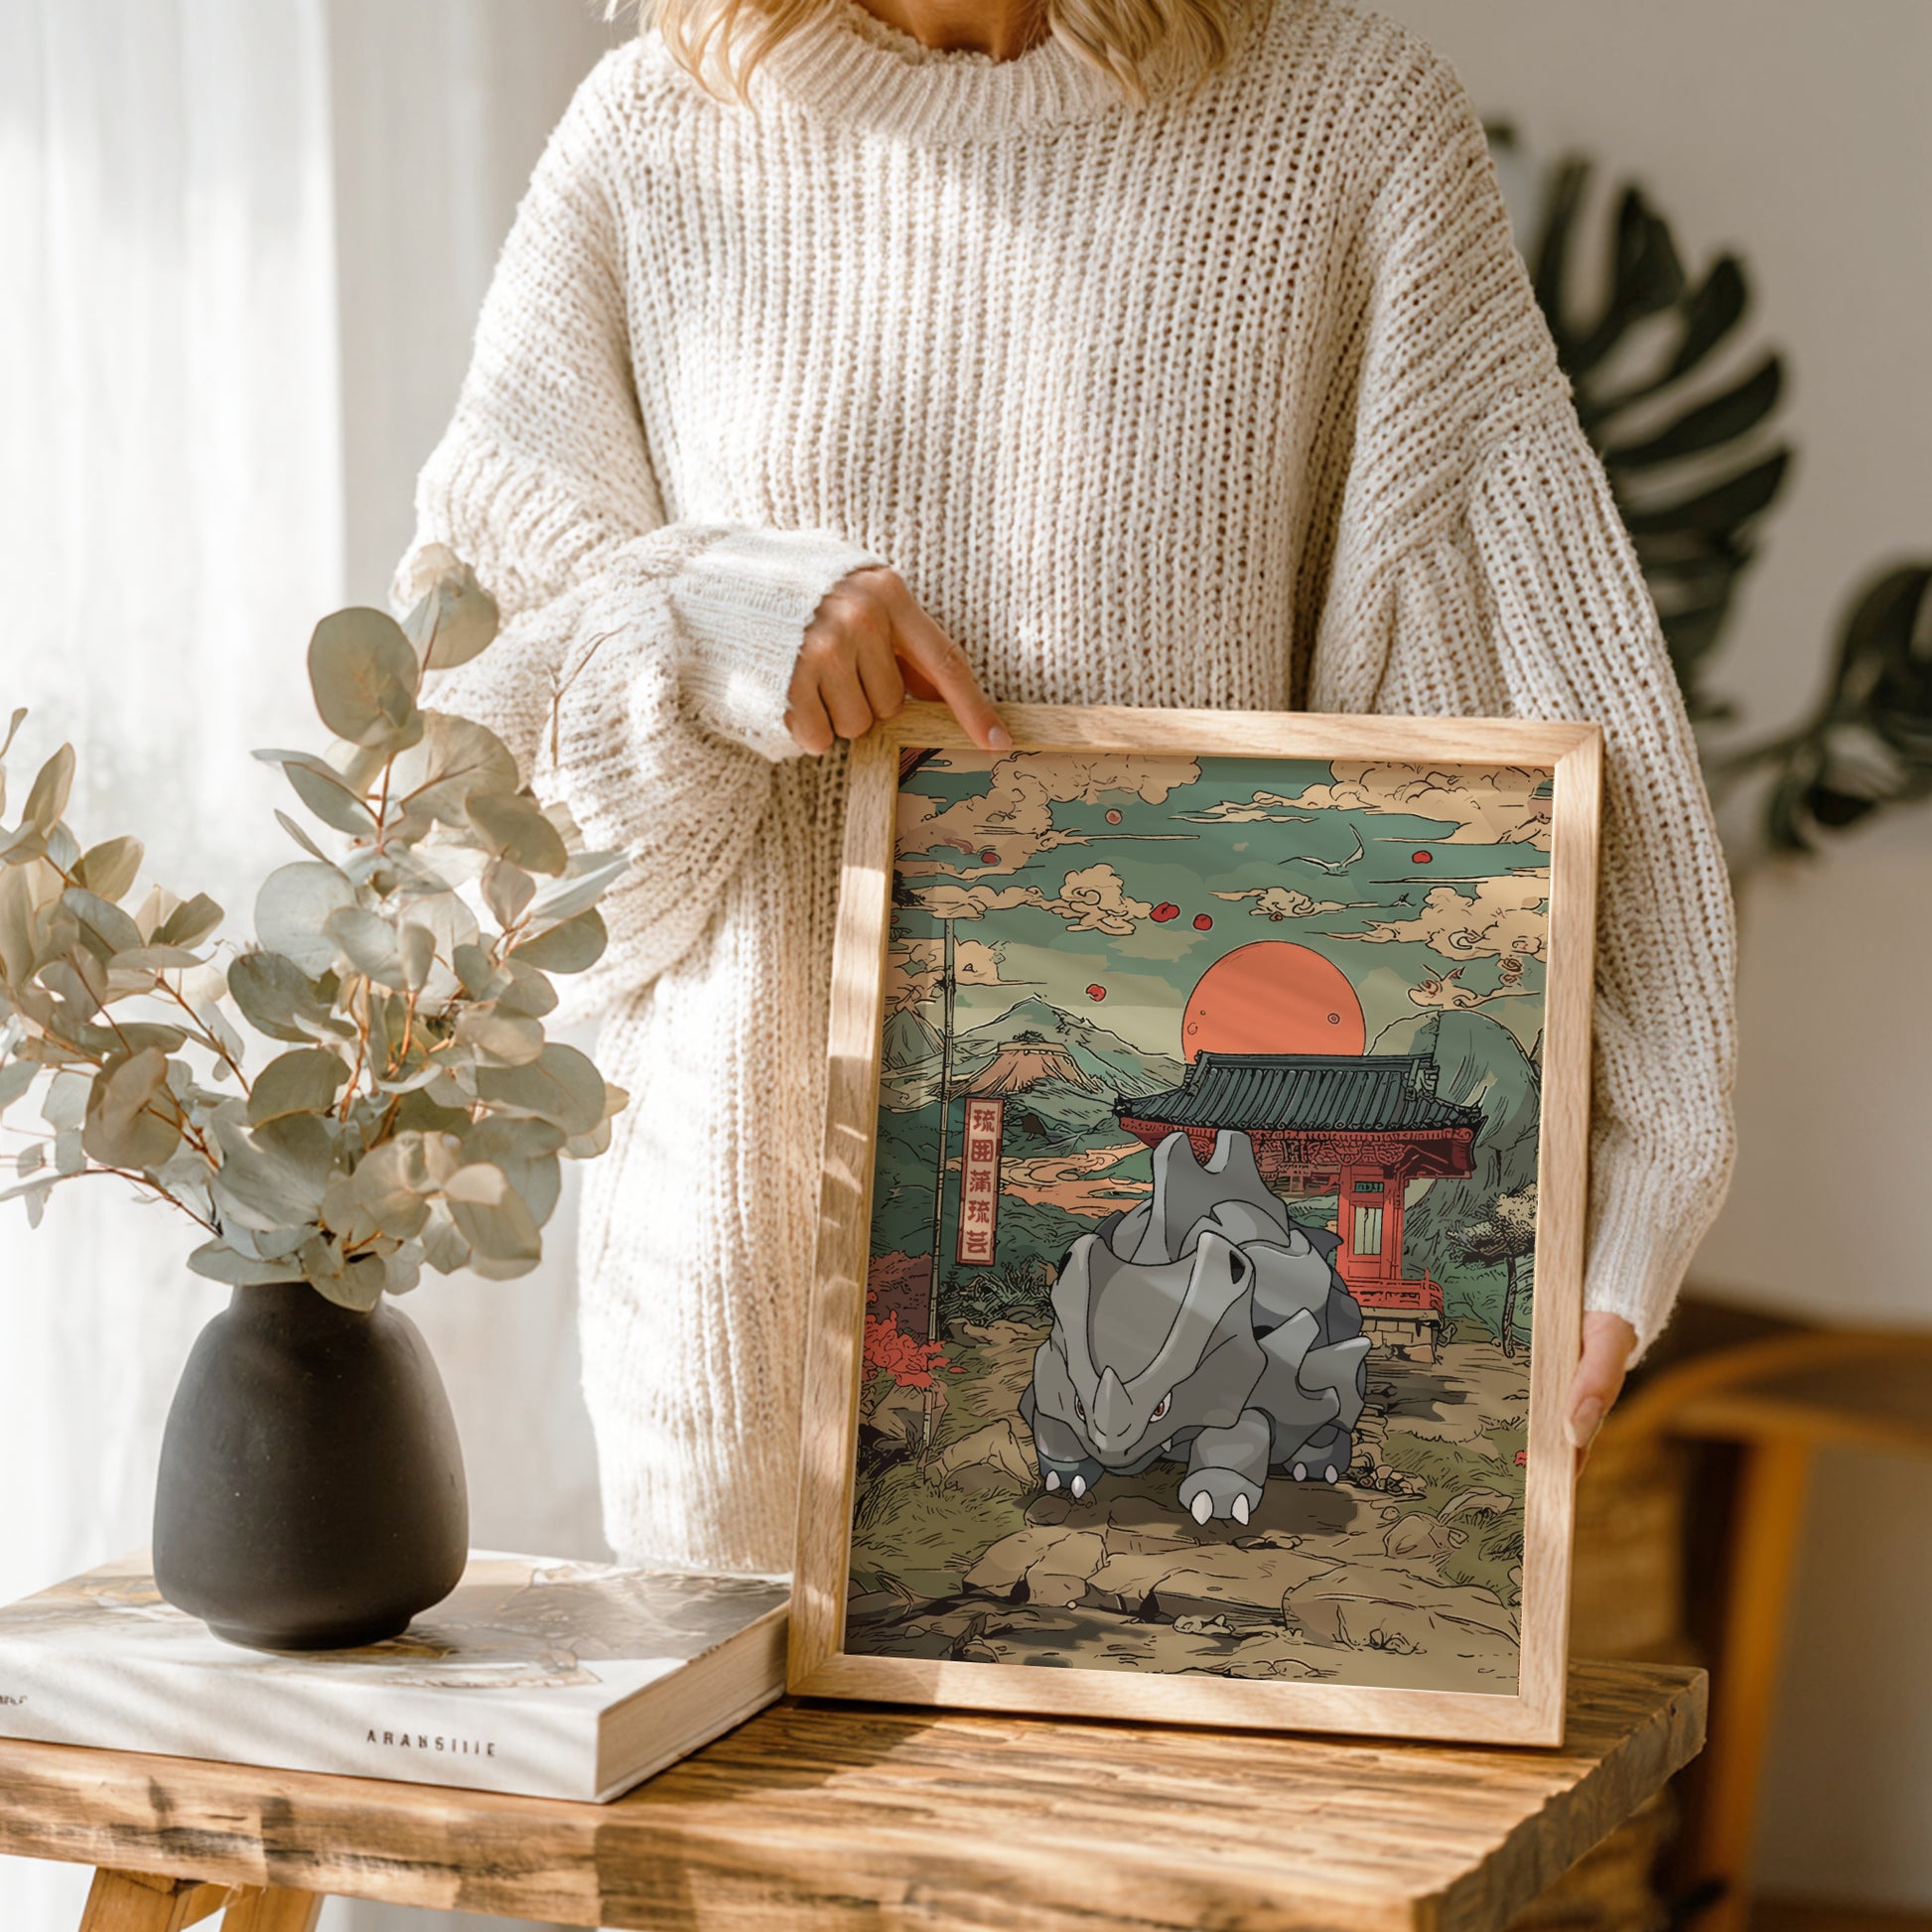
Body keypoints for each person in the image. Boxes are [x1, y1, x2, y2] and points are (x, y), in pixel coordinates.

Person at [393, 0, 1735, 1577]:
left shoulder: (1344, 127)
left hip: (1221, 1425)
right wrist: (703, 621)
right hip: (733, 1341)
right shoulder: (649, 140)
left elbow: (1519, 702)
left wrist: (1631, 1170)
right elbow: (466, 824)